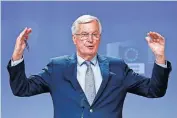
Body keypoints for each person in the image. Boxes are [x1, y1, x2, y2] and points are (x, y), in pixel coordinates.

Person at [7, 15, 172, 118]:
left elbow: (154, 90)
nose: (90, 39)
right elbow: (22, 89)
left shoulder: (117, 67)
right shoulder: (57, 68)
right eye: (84, 34)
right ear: (74, 38)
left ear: (100, 38)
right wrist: (17, 55)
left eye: (95, 34)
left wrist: (159, 57)